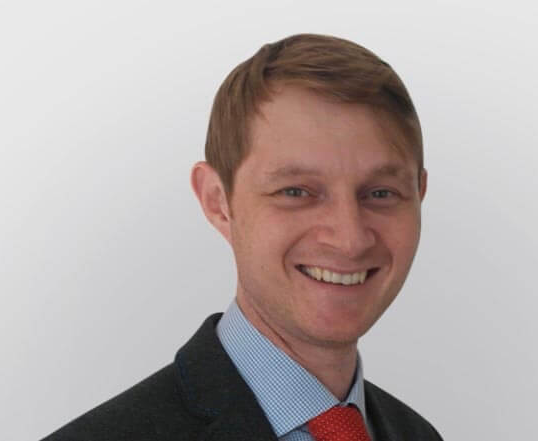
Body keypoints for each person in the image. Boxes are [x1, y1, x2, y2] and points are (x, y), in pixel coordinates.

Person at [42, 33, 442, 441]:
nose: (350, 239)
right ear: (218, 202)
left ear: (419, 195)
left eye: (381, 193)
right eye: (296, 192)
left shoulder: (417, 435)